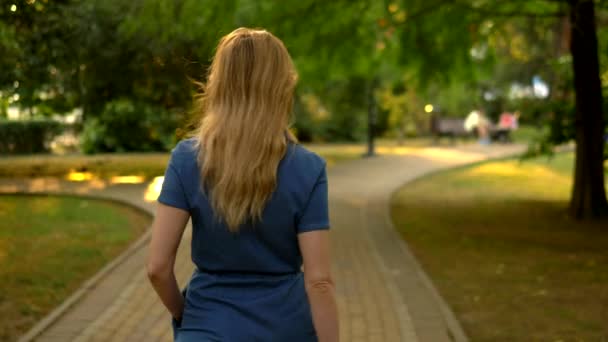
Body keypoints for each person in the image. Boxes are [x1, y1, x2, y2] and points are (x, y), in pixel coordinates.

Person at [146, 28, 339, 341]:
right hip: (287, 329)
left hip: (206, 328)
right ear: (281, 85)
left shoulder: (186, 159)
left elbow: (157, 267)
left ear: (218, 83)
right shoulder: (309, 168)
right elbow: (318, 282)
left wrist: (189, 317)